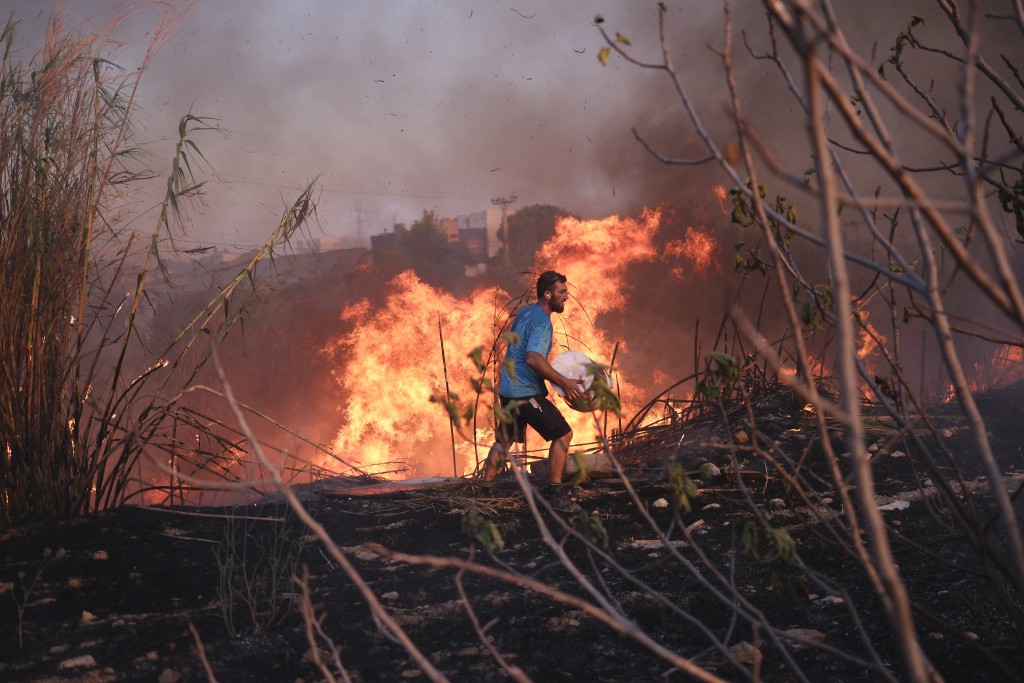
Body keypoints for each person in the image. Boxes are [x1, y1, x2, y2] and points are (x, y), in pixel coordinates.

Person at [483, 270, 585, 510]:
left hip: (508, 387)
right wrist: (566, 382)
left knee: (504, 439)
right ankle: (554, 493)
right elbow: (534, 359)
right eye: (562, 292)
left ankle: (484, 488)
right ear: (547, 294)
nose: (566, 297)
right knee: (563, 434)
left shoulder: (526, 312)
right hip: (524, 391)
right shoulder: (541, 321)